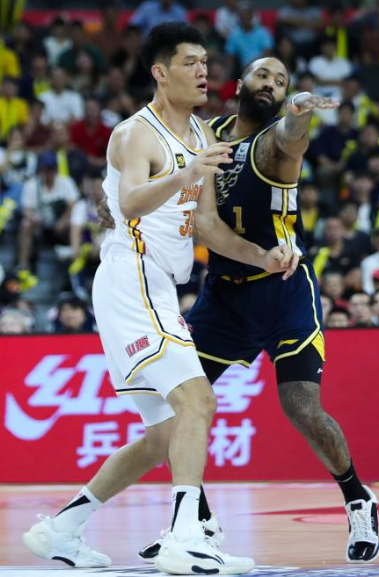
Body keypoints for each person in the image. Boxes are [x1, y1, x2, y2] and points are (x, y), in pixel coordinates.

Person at [23, 23, 298, 575]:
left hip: (159, 286)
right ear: (160, 72)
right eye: (190, 62)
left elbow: (207, 226)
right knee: (198, 401)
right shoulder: (135, 134)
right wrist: (186, 172)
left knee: (165, 435)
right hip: (132, 274)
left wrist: (262, 257)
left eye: (205, 62)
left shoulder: (200, 134)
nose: (203, 71)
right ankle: (185, 538)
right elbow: (128, 204)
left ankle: (62, 529)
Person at [145, 56, 379, 564]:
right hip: (224, 296)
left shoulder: (274, 142)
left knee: (301, 406)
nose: (271, 84)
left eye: (281, 81)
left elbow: (293, 138)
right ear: (240, 84)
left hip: (282, 291)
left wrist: (300, 112)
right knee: (173, 406)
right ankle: (196, 521)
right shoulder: (207, 134)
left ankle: (357, 497)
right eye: (263, 76)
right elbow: (174, 186)